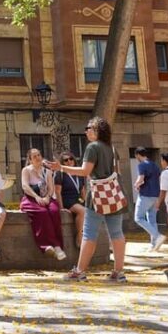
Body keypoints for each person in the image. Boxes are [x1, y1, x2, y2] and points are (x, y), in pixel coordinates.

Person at [47, 116, 128, 283]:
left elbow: (85, 171)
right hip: (114, 195)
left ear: (97, 130)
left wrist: (61, 167)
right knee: (117, 233)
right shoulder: (110, 148)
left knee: (89, 233)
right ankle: (118, 272)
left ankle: (79, 271)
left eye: (89, 127)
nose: (86, 130)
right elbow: (116, 171)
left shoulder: (92, 147)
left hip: (97, 196)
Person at [20, 148, 65, 261]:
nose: (38, 158)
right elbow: (25, 186)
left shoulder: (47, 171)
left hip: (46, 198)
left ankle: (58, 246)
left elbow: (51, 188)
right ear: (30, 160)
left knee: (54, 211)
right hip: (31, 199)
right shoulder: (26, 170)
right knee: (42, 212)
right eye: (34, 156)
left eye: (39, 155)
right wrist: (37, 197)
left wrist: (47, 197)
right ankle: (46, 246)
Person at [133, 147, 166, 252]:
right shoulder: (155, 165)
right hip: (155, 195)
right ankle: (154, 245)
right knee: (152, 220)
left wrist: (136, 184)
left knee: (138, 218)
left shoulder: (142, 165)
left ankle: (157, 236)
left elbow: (141, 178)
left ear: (138, 154)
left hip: (145, 194)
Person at [54, 152, 86, 249]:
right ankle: (79, 237)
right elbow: (57, 191)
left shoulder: (78, 173)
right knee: (82, 211)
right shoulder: (60, 173)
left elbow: (83, 190)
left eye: (71, 159)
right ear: (62, 162)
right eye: (66, 160)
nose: (69, 161)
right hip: (67, 199)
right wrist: (61, 207)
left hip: (77, 199)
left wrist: (87, 202)